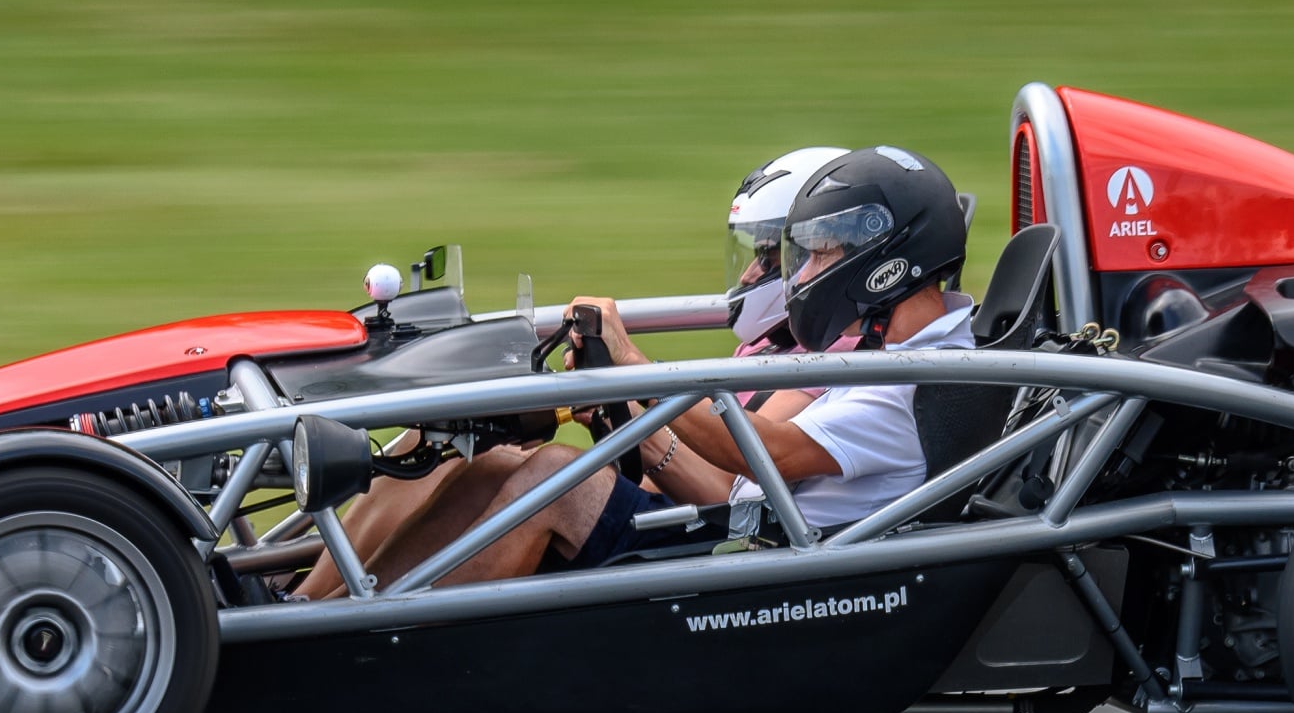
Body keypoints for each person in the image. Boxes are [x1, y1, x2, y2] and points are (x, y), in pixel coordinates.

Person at [356, 144, 974, 586]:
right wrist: (630, 414)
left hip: (769, 563)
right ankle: (324, 604)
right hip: (751, 531)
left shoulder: (913, 382)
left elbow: (770, 454)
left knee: (554, 478)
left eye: (820, 255)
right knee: (486, 463)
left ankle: (372, 638)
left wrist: (633, 368)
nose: (801, 275)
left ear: (887, 258)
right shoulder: (898, 358)